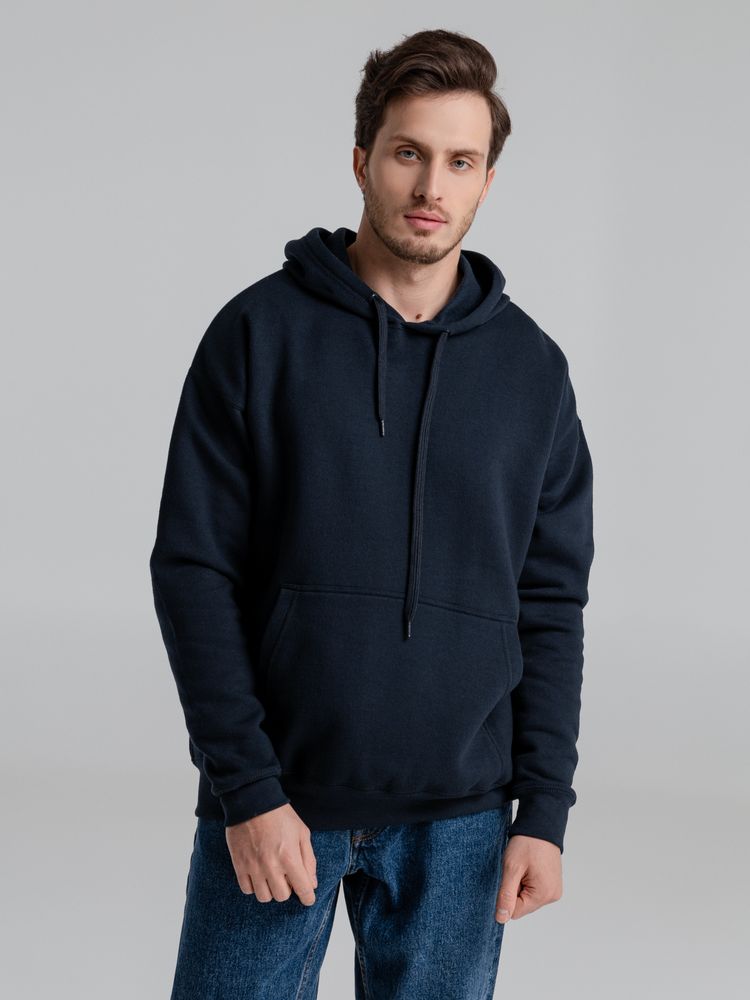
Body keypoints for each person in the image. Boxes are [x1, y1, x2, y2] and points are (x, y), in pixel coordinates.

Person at [149, 27, 595, 1000]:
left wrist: (543, 811)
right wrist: (246, 787)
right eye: (408, 153)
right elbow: (192, 571)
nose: (432, 185)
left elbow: (551, 603)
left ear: (487, 181)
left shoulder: (532, 375)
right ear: (362, 161)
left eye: (460, 161)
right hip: (278, 804)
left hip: (463, 820)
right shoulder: (257, 336)